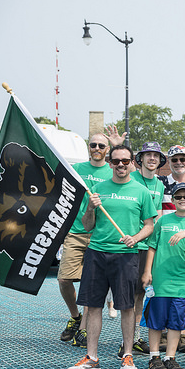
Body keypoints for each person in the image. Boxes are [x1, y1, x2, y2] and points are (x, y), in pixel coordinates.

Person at [67, 145, 157, 369]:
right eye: (116, 161)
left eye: (125, 161)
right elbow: (87, 226)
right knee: (93, 305)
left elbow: (149, 225)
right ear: (110, 163)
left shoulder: (141, 191)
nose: (120, 165)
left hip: (126, 256)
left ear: (131, 163)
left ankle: (127, 356)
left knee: (126, 306)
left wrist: (135, 238)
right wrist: (90, 207)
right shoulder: (97, 189)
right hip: (96, 253)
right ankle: (92, 358)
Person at [141, 182, 185, 369]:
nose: (183, 200)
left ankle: (170, 358)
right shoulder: (163, 221)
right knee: (156, 320)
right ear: (173, 200)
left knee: (176, 322)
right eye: (179, 197)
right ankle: (154, 357)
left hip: (180, 282)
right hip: (160, 280)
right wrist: (147, 271)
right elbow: (152, 246)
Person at [58, 133, 113, 348]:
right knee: (64, 280)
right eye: (93, 144)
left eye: (102, 145)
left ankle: (82, 332)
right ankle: (75, 316)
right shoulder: (77, 169)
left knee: (91, 284)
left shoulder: (112, 171)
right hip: (75, 231)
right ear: (88, 147)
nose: (97, 148)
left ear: (107, 149)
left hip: (99, 234)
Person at [120, 142, 166, 357]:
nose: (151, 159)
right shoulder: (132, 178)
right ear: (140, 159)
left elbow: (156, 217)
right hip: (128, 245)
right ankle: (125, 341)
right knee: (126, 295)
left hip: (146, 245)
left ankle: (135, 336)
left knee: (140, 293)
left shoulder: (159, 184)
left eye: (155, 156)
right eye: (147, 155)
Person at [157, 145, 185, 353]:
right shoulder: (160, 183)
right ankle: (164, 332)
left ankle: (181, 333)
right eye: (174, 159)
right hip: (165, 243)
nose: (178, 163)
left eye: (182, 158)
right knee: (162, 291)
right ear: (169, 161)